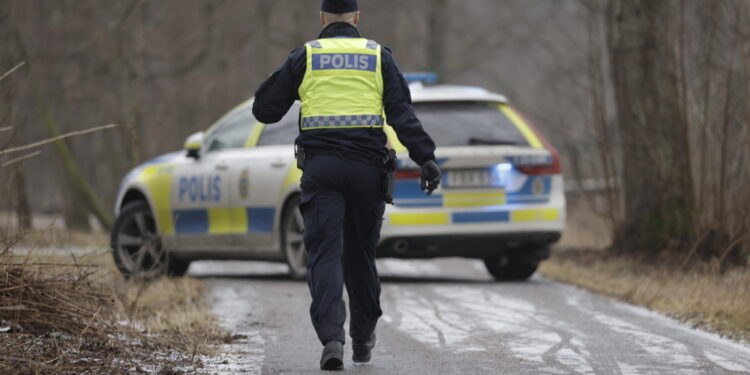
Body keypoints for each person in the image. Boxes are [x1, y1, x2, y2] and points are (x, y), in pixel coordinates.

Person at [252, 0, 441, 370]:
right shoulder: (377, 56)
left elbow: (264, 110)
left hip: (321, 170)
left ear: (322, 18)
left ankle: (332, 340)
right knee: (361, 256)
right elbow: (402, 114)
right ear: (357, 18)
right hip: (367, 170)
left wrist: (286, 80)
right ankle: (363, 339)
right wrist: (426, 157)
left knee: (324, 254)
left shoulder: (306, 56)